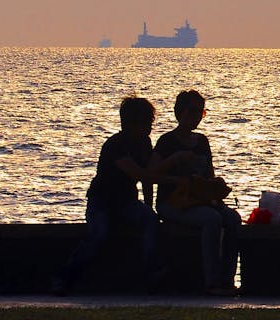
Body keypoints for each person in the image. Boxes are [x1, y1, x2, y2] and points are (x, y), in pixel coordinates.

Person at [52, 96, 190, 295]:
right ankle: (64, 277)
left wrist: (149, 206)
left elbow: (146, 178)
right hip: (102, 201)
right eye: (147, 123)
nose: (150, 127)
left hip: (126, 202)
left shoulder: (144, 142)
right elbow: (140, 174)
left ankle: (150, 271)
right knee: (99, 235)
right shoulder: (115, 145)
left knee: (149, 220)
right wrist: (174, 179)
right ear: (133, 123)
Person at [154, 90, 242, 296]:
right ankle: (211, 283)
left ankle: (227, 279)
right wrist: (175, 162)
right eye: (192, 111)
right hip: (173, 203)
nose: (196, 117)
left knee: (232, 218)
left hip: (199, 200)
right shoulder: (166, 142)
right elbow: (152, 174)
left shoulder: (202, 142)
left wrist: (215, 190)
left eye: (200, 112)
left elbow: (209, 175)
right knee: (211, 219)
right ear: (179, 112)